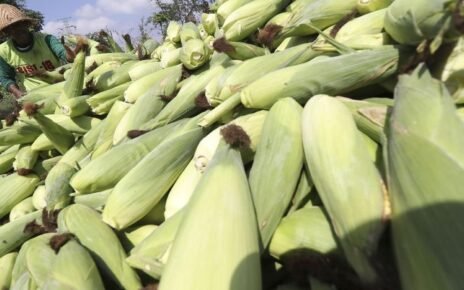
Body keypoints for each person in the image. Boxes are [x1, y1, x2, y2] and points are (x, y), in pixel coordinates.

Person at [0, 4, 75, 99]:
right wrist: (17, 92)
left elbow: (63, 54)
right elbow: (6, 78)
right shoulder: (3, 51)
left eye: (18, 24)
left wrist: (71, 55)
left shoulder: (47, 39)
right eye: (10, 28)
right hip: (36, 96)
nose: (17, 29)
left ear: (26, 24)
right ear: (6, 32)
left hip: (63, 89)